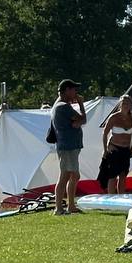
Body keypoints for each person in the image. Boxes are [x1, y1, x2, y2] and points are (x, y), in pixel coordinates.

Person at [51, 79, 87, 215]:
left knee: (69, 175)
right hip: (68, 147)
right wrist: (81, 104)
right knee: (69, 176)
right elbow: (83, 119)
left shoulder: (59, 105)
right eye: (73, 89)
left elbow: (78, 121)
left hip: (68, 146)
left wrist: (77, 122)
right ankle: (59, 208)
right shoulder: (63, 107)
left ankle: (70, 206)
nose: (76, 92)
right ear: (67, 90)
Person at [97, 94, 132, 195]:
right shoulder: (113, 117)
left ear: (131, 105)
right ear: (120, 104)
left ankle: (121, 197)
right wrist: (105, 149)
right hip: (114, 149)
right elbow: (105, 133)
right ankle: (111, 197)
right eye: (124, 103)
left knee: (123, 175)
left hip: (126, 149)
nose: (126, 105)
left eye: (128, 103)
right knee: (112, 176)